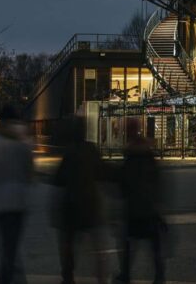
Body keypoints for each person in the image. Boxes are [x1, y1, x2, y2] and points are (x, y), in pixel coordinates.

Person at [53, 117, 107, 284]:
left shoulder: (69, 152)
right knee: (97, 245)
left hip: (71, 205)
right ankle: (101, 278)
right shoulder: (91, 149)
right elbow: (103, 172)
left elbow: (59, 179)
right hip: (90, 204)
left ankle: (68, 277)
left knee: (68, 244)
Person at [116, 118, 166, 284]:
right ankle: (159, 276)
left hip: (134, 209)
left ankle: (125, 275)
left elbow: (123, 184)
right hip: (150, 208)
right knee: (154, 246)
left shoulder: (130, 157)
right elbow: (157, 181)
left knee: (129, 246)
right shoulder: (148, 155)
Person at [0, 105, 33, 284]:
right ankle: (11, 276)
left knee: (6, 246)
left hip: (0, 200)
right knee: (11, 245)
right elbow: (29, 173)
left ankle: (7, 277)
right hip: (19, 200)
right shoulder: (24, 141)